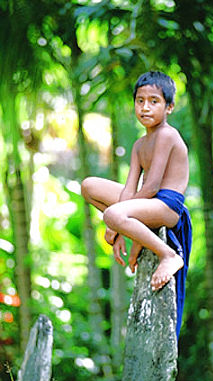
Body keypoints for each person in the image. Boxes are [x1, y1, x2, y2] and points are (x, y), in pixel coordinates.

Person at [81, 71, 192, 336]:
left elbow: (152, 187)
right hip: (146, 203)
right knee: (89, 186)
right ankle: (123, 221)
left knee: (114, 215)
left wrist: (117, 221)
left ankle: (168, 255)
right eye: (140, 100)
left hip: (167, 206)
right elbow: (130, 188)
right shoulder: (140, 144)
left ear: (169, 107)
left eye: (154, 101)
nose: (145, 107)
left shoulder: (167, 135)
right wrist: (121, 223)